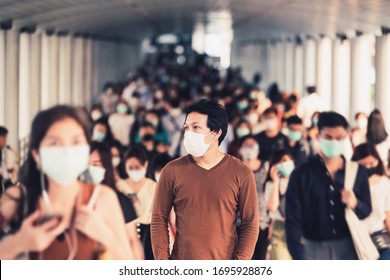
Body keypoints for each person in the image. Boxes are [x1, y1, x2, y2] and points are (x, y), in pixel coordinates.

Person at [17, 105, 134, 259]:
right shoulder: (20, 201)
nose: (66, 152)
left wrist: (105, 235)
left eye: (76, 142)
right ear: (36, 154)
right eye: (54, 143)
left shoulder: (102, 198)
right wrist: (17, 244)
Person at [151, 100, 259, 260]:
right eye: (186, 128)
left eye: (196, 127)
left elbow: (250, 223)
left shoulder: (241, 173)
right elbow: (159, 218)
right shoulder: (172, 171)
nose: (189, 133)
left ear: (216, 132)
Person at [285, 111, 372, 260]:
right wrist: (298, 256)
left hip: (349, 248)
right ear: (319, 136)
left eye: (339, 138)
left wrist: (355, 203)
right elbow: (293, 221)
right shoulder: (301, 174)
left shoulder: (358, 172)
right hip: (312, 249)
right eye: (328, 137)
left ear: (345, 137)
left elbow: (366, 210)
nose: (334, 142)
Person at [116, 145, 157, 259]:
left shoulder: (154, 187)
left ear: (145, 165)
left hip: (148, 236)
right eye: (130, 168)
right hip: (124, 235)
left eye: (137, 167)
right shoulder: (119, 187)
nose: (134, 170)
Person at [352, 143, 390, 260]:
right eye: (363, 165)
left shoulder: (385, 183)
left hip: (379, 237)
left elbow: (388, 216)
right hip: (356, 238)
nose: (368, 167)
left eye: (372, 163)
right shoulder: (349, 184)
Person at [238, 135, 270, 260]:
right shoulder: (235, 168)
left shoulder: (266, 167)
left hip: (261, 222)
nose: (250, 148)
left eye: (252, 145)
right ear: (240, 149)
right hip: (238, 224)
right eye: (246, 146)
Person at [264, 150, 294, 260]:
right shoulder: (270, 184)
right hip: (279, 227)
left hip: (297, 227)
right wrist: (276, 182)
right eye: (281, 161)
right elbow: (272, 207)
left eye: (287, 160)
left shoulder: (299, 181)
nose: (285, 163)